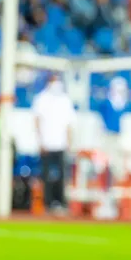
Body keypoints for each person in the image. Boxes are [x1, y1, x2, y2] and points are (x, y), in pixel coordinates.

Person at [32, 73, 77, 215]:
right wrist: (40, 141)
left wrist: (69, 142)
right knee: (46, 175)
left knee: (62, 175)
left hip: (61, 144)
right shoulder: (41, 99)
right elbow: (37, 120)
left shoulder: (65, 100)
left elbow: (69, 123)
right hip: (47, 143)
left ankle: (61, 202)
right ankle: (47, 203)